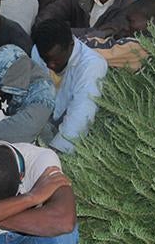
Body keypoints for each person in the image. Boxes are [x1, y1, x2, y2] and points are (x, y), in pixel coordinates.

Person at [31, 19, 107, 153]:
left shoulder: (92, 65)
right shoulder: (37, 51)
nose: (50, 65)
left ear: (71, 44)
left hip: (74, 139)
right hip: (43, 121)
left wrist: (53, 155)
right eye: (45, 59)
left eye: (55, 59)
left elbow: (81, 115)